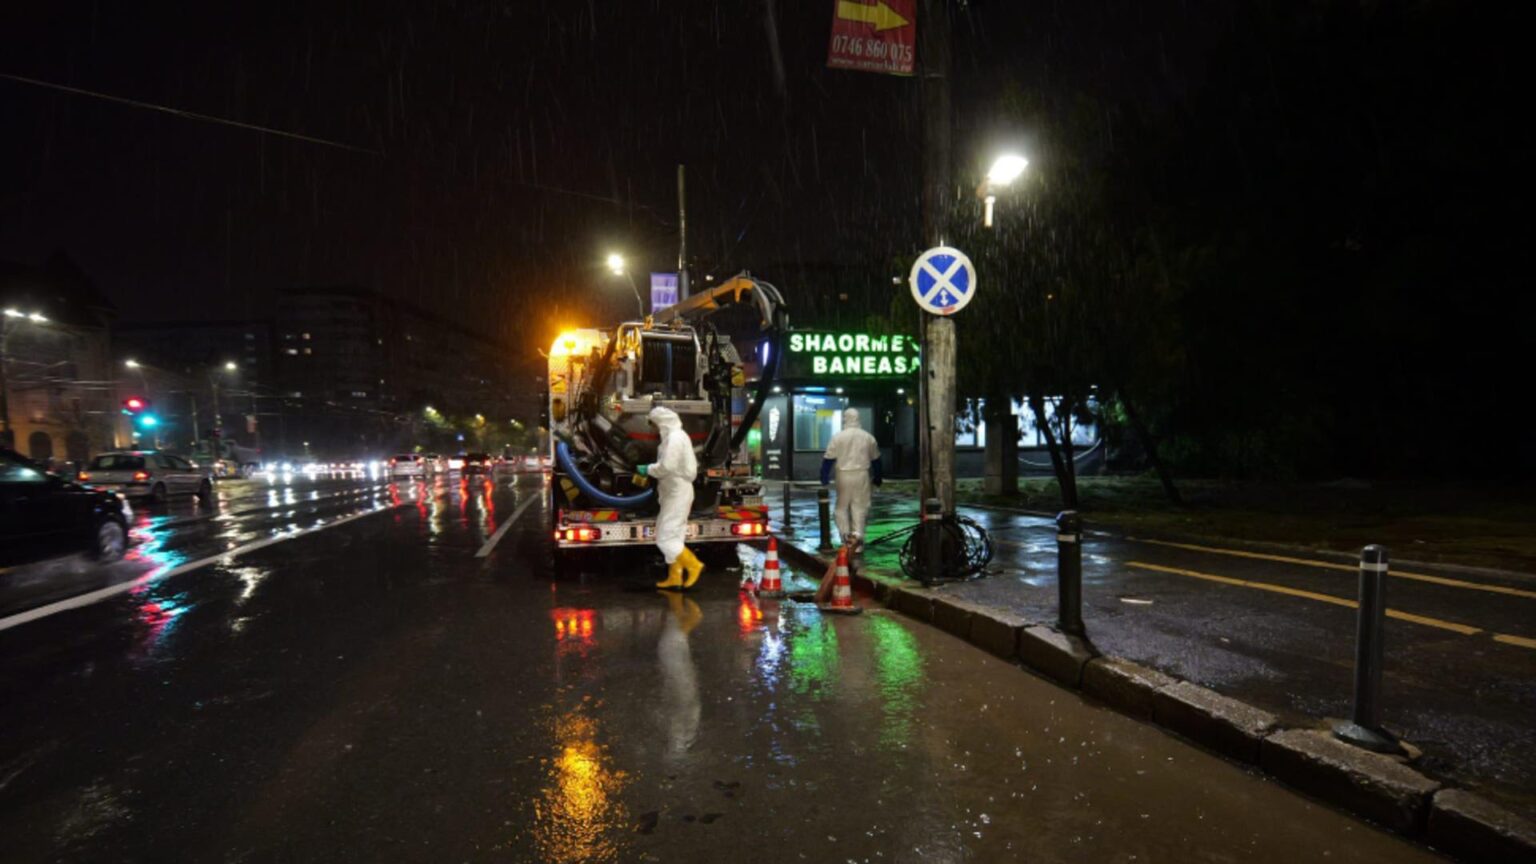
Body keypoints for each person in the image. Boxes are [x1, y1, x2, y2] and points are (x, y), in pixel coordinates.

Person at [637, 405, 705, 589]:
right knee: (674, 533)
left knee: (665, 536)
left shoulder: (675, 438)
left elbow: (667, 466)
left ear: (662, 422)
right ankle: (675, 576)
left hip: (677, 490)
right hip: (673, 490)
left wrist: (648, 469)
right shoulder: (674, 437)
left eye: (655, 424)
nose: (654, 428)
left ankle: (693, 564)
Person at [820, 406, 882, 553]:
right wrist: (878, 477)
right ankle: (857, 542)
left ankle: (845, 538)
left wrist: (824, 477)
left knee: (841, 508)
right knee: (859, 508)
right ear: (858, 418)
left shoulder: (838, 437)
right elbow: (876, 459)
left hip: (843, 475)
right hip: (862, 474)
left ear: (845, 419)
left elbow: (828, 459)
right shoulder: (868, 437)